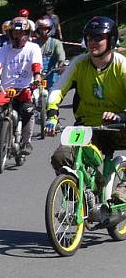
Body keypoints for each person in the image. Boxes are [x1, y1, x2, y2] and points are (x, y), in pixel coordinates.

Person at [46, 16, 126, 203]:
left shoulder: (121, 66)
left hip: (120, 128)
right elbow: (58, 88)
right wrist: (52, 114)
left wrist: (120, 116)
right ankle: (90, 194)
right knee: (61, 157)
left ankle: (123, 189)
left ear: (111, 40)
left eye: (98, 38)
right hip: (87, 128)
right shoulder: (80, 63)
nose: (92, 42)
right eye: (89, 38)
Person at [0, 16, 42, 154]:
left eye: (21, 33)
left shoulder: (33, 48)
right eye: (15, 33)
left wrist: (37, 79)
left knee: (27, 110)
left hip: (26, 89)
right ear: (10, 33)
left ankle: (26, 142)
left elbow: (36, 66)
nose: (18, 36)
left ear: (27, 34)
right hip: (6, 90)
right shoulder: (4, 50)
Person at [34, 17, 66, 89]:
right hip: (36, 75)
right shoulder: (32, 44)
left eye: (46, 28)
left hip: (52, 74)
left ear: (50, 29)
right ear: (37, 29)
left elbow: (61, 56)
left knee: (54, 96)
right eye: (41, 28)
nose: (44, 31)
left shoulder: (56, 43)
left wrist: (61, 65)